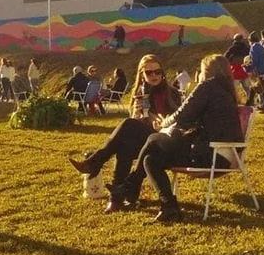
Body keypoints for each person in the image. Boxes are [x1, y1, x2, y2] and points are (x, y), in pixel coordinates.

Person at [106, 55, 243, 223]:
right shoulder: (226, 91)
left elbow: (182, 115)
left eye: (201, 70)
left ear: (207, 71)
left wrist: (164, 123)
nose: (198, 74)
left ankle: (127, 185)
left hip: (210, 155)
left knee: (153, 139)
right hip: (225, 155)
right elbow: (194, 119)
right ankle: (169, 207)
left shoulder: (207, 87)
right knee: (151, 158)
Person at [69, 55, 182, 201]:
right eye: (149, 73)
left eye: (157, 72)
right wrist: (136, 114)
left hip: (163, 141)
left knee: (128, 126)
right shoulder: (139, 93)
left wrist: (163, 123)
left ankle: (96, 163)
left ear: (163, 73)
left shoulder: (172, 93)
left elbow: (180, 121)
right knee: (125, 145)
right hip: (144, 139)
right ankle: (120, 196)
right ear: (142, 74)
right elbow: (137, 123)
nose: (154, 75)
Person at [247, 31, 264, 108]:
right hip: (263, 70)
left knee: (257, 87)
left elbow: (254, 61)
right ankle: (250, 102)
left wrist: (248, 67)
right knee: (259, 87)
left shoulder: (253, 47)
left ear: (250, 41)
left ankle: (263, 104)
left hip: (257, 71)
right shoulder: (261, 47)